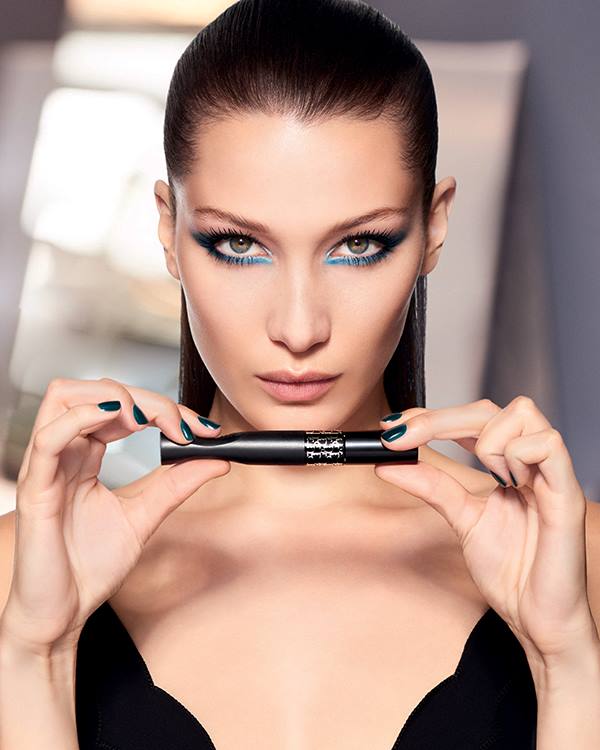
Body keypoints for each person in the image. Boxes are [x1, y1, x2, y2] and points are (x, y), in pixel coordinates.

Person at [2, 1, 599, 748]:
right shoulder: (22, 572)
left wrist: (565, 661)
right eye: (238, 245)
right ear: (168, 229)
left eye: (358, 246)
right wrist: (37, 656)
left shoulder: (576, 561)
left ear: (434, 227)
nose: (298, 327)